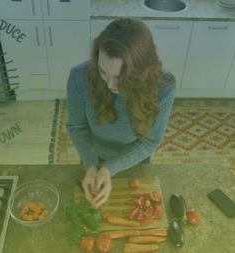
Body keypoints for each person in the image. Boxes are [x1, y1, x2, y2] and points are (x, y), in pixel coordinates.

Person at [66, 18, 176, 208]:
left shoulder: (164, 86)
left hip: (135, 158)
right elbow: (77, 127)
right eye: (103, 72)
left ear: (142, 71)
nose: (110, 85)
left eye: (120, 77)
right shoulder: (78, 76)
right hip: (91, 154)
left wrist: (109, 168)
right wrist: (92, 167)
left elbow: (149, 141)